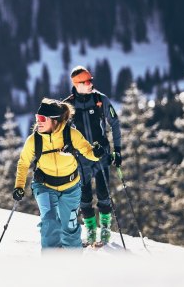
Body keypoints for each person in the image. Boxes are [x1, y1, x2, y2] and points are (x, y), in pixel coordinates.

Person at [13, 98, 103, 250]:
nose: (38, 122)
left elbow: (88, 151)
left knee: (70, 228)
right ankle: (51, 264)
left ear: (54, 121)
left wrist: (97, 153)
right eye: (37, 118)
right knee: (49, 223)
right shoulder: (34, 140)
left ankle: (73, 263)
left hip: (71, 188)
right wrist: (19, 186)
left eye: (42, 118)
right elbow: (23, 163)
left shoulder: (71, 134)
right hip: (45, 187)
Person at [63, 66, 122, 246]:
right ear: (77, 84)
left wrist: (117, 150)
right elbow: (61, 133)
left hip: (101, 154)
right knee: (85, 197)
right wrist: (66, 148)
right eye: (86, 82)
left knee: (104, 194)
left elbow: (115, 123)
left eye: (91, 81)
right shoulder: (68, 105)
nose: (90, 84)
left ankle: (105, 229)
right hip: (80, 159)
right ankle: (90, 230)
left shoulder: (100, 99)